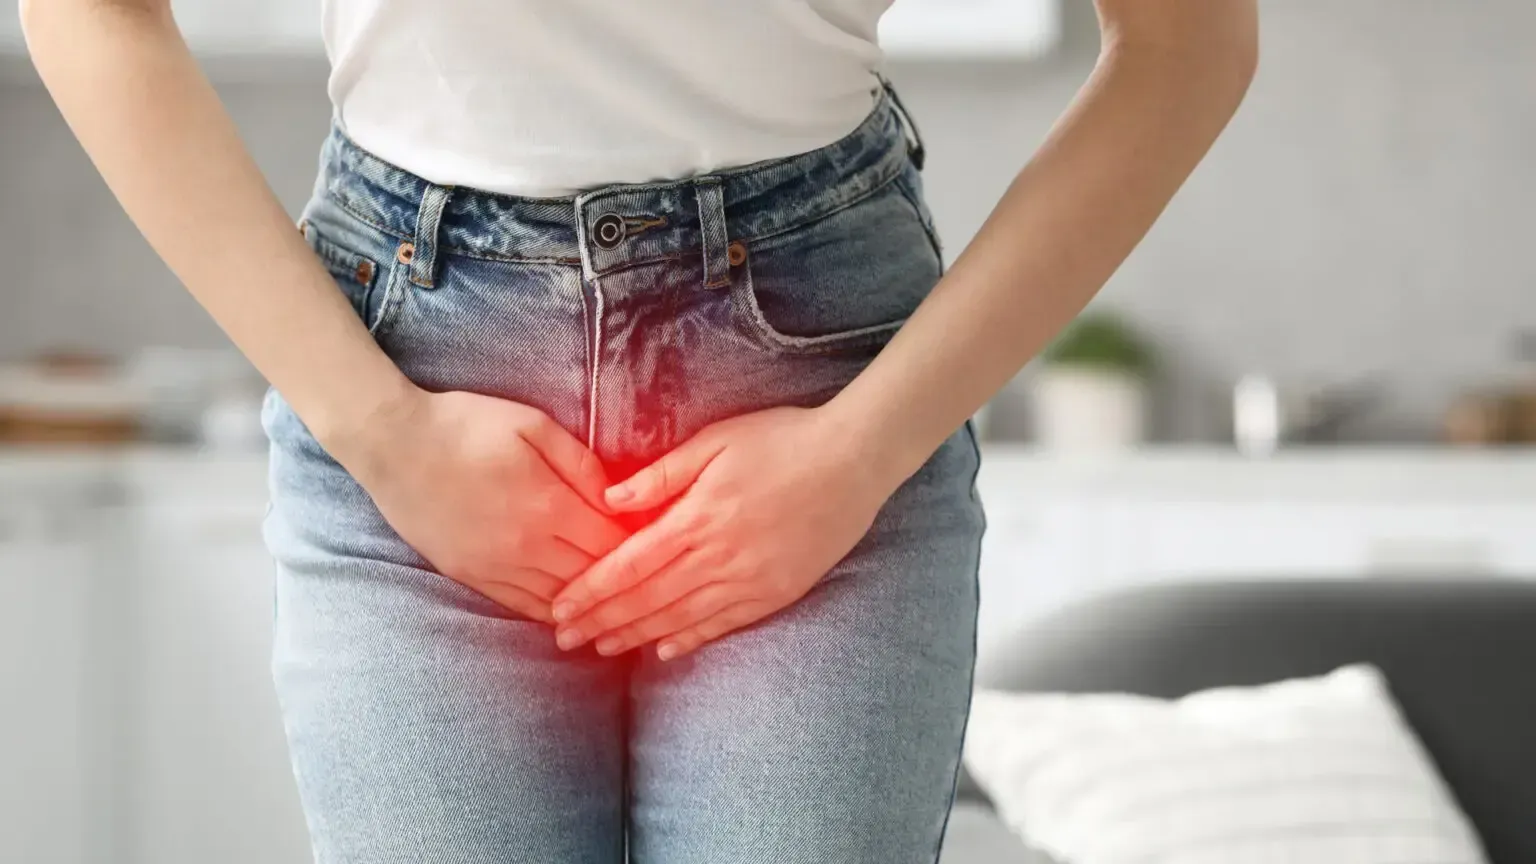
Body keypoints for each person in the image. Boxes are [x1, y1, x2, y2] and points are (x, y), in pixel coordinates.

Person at [23, 1, 1258, 861]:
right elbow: (91, 10)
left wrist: (858, 453)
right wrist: (387, 438)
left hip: (819, 394)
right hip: (412, 372)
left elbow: (1187, 42)